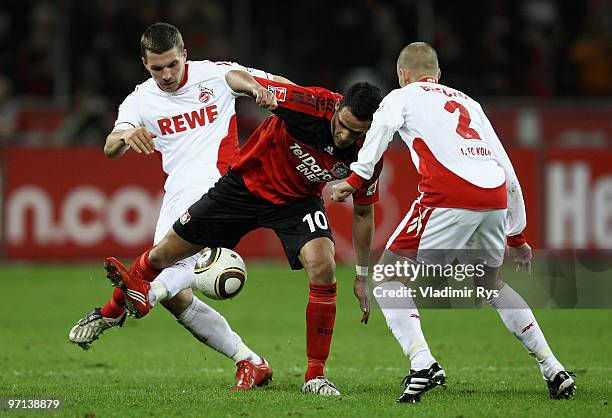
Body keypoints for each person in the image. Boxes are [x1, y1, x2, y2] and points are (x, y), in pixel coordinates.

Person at [100, 78, 384, 396]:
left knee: (324, 266)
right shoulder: (309, 104)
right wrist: (255, 89)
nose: (345, 136)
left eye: (356, 132)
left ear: (371, 128)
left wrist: (362, 276)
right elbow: (232, 77)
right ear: (338, 107)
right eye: (342, 125)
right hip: (243, 186)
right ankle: (111, 311)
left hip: (296, 202)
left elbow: (363, 213)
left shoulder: (370, 151)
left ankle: (315, 375)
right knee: (163, 254)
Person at [331, 42, 575, 402]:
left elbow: (380, 129)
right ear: (438, 73)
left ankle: (422, 363)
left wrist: (356, 178)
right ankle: (553, 368)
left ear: (402, 74)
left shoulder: (402, 97)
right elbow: (505, 165)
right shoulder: (468, 103)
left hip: (448, 193)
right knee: (490, 283)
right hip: (493, 194)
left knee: (385, 277)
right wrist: (517, 232)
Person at [68, 22, 290, 391]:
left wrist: (259, 89)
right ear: (145, 63)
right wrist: (126, 135)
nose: (167, 75)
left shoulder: (215, 75)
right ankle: (250, 361)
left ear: (184, 54)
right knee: (178, 297)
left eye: (173, 64)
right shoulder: (140, 100)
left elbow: (270, 84)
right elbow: (110, 147)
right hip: (177, 194)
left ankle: (123, 305)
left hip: (220, 187)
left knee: (162, 274)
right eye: (157, 68)